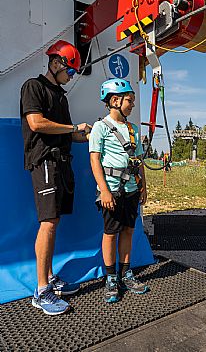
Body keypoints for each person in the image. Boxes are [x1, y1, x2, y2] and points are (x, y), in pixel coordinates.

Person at [20, 40, 92, 315]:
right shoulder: (33, 87)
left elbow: (68, 134)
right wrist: (74, 127)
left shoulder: (60, 97)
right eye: (70, 71)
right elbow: (36, 123)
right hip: (44, 161)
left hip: (62, 163)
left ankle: (50, 277)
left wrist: (92, 135)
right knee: (48, 222)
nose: (71, 77)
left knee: (54, 221)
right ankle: (41, 291)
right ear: (56, 63)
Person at [89, 78, 149, 303]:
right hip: (111, 192)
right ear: (115, 100)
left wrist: (143, 186)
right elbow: (95, 161)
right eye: (129, 101)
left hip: (132, 190)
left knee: (128, 231)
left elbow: (139, 160)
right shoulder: (100, 128)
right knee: (110, 233)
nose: (132, 105)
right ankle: (111, 277)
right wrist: (104, 191)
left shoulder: (133, 130)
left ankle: (126, 273)